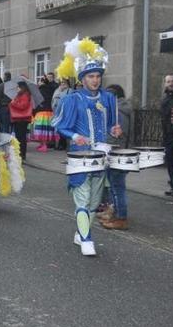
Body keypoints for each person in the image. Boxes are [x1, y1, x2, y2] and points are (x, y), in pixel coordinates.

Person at [52, 36, 122, 256]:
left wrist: (114, 130)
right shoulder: (72, 98)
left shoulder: (109, 98)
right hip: (80, 157)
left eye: (98, 76)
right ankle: (86, 238)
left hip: (101, 156)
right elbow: (59, 125)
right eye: (91, 76)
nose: (95, 80)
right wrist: (74, 135)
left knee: (94, 201)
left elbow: (112, 124)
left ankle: (81, 232)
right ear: (82, 78)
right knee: (82, 198)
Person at [100, 84, 131, 230]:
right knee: (113, 185)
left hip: (117, 153)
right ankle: (115, 213)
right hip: (114, 152)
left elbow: (118, 134)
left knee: (118, 187)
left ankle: (121, 218)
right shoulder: (116, 109)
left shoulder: (119, 111)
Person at [9, 80, 33, 160]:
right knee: (19, 137)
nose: (17, 89)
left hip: (22, 119)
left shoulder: (25, 95)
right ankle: (20, 153)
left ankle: (22, 154)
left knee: (21, 138)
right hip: (18, 119)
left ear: (22, 87)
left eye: (18, 87)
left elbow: (23, 106)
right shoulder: (20, 95)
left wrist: (13, 103)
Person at [51, 78, 73, 150]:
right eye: (61, 82)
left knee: (64, 128)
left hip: (65, 112)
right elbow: (53, 100)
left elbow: (70, 100)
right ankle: (60, 144)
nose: (63, 84)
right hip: (57, 111)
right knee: (59, 128)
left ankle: (64, 145)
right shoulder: (57, 90)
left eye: (64, 82)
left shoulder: (70, 90)